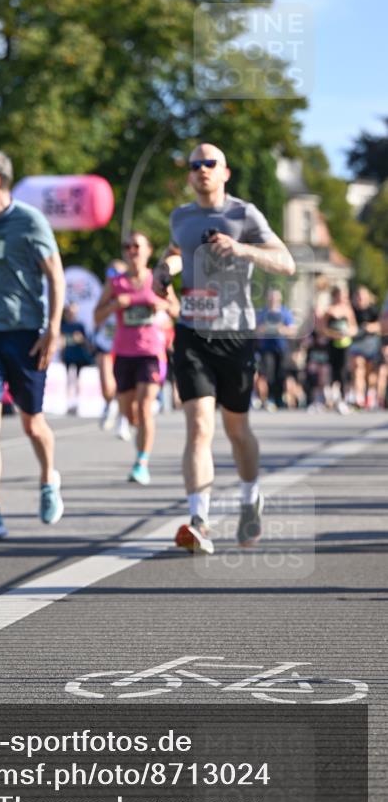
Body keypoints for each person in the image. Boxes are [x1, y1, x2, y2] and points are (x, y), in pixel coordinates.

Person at [156, 142, 295, 554]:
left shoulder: (243, 214)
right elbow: (178, 250)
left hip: (235, 334)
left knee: (237, 430)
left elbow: (286, 262)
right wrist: (166, 268)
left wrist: (242, 248)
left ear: (224, 172)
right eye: (195, 165)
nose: (202, 170)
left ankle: (251, 497)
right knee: (199, 424)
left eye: (209, 164)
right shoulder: (180, 216)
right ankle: (199, 520)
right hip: (192, 332)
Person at [0, 150, 65, 540]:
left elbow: (55, 276)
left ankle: (48, 479)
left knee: (32, 422)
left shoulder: (30, 221)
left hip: (26, 334)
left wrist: (52, 329)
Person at [94, 231, 179, 485]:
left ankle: (142, 462)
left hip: (151, 352)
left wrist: (163, 305)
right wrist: (114, 305)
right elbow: (97, 317)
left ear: (148, 251)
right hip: (124, 353)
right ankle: (137, 427)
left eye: (137, 246)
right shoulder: (115, 282)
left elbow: (176, 309)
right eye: (127, 247)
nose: (132, 251)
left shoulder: (158, 279)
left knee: (144, 408)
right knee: (130, 413)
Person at [93, 259, 131, 438]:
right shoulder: (104, 294)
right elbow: (96, 318)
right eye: (110, 273)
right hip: (106, 345)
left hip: (126, 346)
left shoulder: (131, 292)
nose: (113, 277)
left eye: (118, 273)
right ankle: (110, 404)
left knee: (124, 389)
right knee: (108, 386)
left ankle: (123, 421)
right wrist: (112, 307)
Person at [255, 288, 296, 409]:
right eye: (271, 297)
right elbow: (256, 330)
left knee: (281, 374)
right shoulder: (263, 312)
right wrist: (264, 329)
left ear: (280, 299)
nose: (273, 300)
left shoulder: (285, 312)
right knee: (268, 374)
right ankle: (269, 398)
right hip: (267, 348)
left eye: (275, 297)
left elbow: (292, 330)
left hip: (282, 348)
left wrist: (281, 329)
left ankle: (279, 399)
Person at [322, 285, 357, 412]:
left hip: (345, 344)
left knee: (343, 371)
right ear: (335, 296)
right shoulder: (329, 311)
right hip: (332, 344)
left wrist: (346, 333)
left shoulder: (348, 311)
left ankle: (343, 398)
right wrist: (333, 334)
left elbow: (354, 328)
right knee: (333, 370)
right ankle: (331, 397)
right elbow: (322, 329)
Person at [349, 286, 381, 408]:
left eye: (362, 297)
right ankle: (359, 397)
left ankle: (371, 395)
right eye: (358, 297)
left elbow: (381, 324)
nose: (360, 299)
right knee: (358, 368)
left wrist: (371, 327)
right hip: (357, 343)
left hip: (371, 343)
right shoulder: (351, 310)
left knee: (370, 373)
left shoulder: (373, 310)